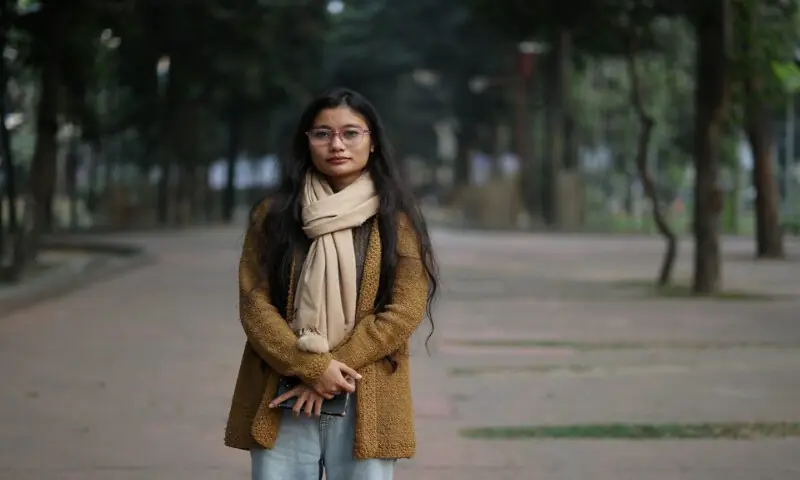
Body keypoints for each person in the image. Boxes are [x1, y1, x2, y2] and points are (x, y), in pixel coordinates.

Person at [224, 87, 439, 480]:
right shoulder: (273, 215)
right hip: (283, 391)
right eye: (322, 133)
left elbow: (405, 309)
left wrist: (328, 373)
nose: (336, 144)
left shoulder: (397, 218)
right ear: (306, 141)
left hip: (366, 393)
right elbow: (254, 304)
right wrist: (311, 366)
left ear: (372, 142)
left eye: (350, 133)